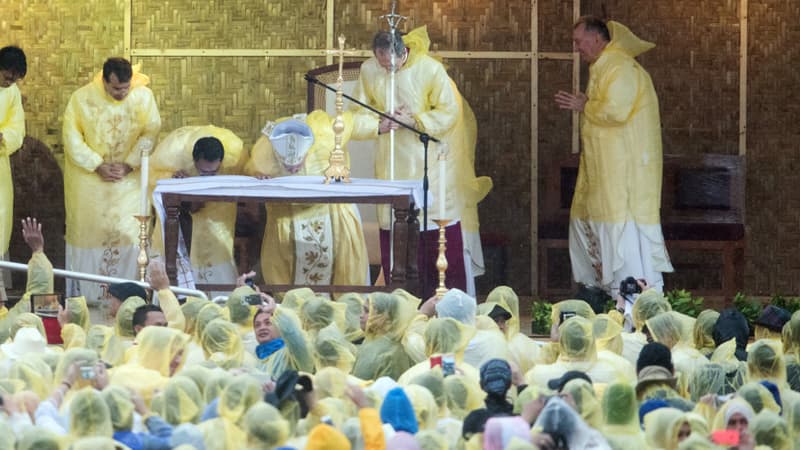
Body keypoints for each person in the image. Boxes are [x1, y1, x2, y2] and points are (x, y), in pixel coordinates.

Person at [350, 26, 492, 298]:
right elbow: (355, 116)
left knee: (434, 233)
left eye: (392, 64)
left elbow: (449, 112)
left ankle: (443, 304)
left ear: (404, 52)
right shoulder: (369, 71)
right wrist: (378, 124)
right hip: (390, 166)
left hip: (430, 166)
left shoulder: (430, 70)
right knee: (395, 237)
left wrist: (414, 120)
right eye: (382, 65)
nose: (387, 71)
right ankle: (401, 306)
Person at [554, 16, 673, 296]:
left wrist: (586, 105)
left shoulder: (620, 67)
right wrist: (587, 105)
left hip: (623, 178)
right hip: (607, 174)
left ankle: (633, 300)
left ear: (597, 39)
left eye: (578, 41)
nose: (577, 48)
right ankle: (609, 295)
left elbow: (617, 111)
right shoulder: (604, 67)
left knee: (624, 233)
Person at [62, 57, 161, 303]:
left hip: (129, 183)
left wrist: (130, 163)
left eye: (125, 88)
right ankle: (88, 299)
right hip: (90, 182)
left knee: (129, 232)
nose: (122, 93)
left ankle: (131, 297)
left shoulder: (143, 97)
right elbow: (72, 137)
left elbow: (152, 130)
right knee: (89, 233)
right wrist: (97, 165)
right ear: (104, 80)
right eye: (116, 88)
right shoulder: (81, 98)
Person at [244, 111, 369, 288]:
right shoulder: (264, 153)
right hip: (288, 219)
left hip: (330, 214)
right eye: (287, 166)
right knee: (285, 271)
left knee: (341, 267)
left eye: (297, 164)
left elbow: (353, 122)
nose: (293, 169)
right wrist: (259, 175)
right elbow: (252, 171)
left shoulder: (326, 135)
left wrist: (379, 126)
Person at [149, 127, 245, 290]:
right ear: (194, 162)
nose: (207, 175)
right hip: (184, 218)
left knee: (216, 245)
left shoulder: (233, 160)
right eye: (202, 171)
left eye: (213, 171)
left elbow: (246, 176)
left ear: (221, 162)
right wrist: (173, 180)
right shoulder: (174, 157)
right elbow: (153, 178)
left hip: (217, 214)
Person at [0, 46, 27, 304]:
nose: (9, 83)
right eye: (7, 77)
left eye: (13, 80)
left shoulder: (12, 93)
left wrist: (3, 137)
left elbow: (17, 127)